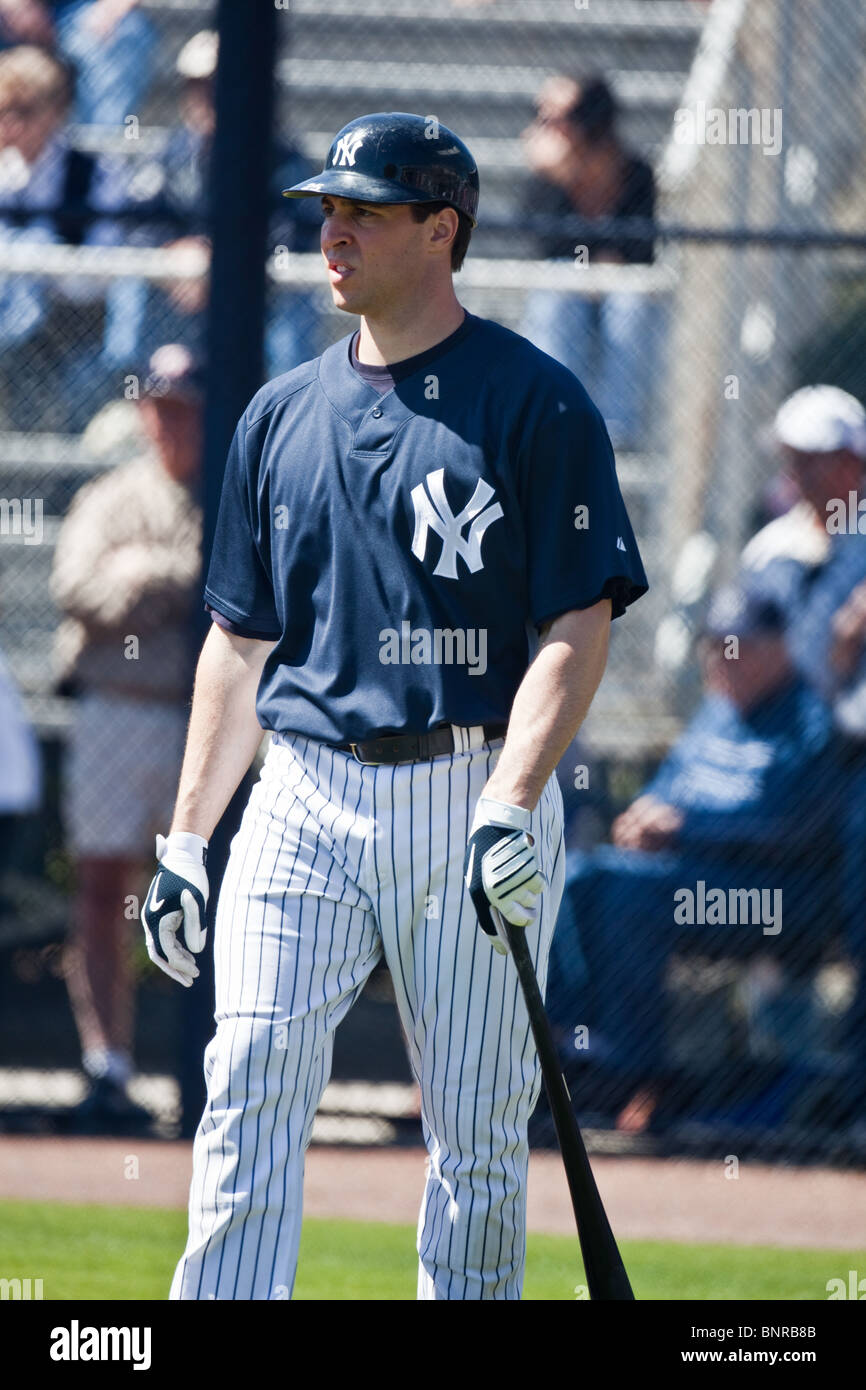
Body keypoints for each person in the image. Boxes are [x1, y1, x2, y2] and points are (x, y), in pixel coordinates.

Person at [140, 111, 647, 1301]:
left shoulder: (537, 401)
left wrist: (515, 801)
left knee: (473, 1137)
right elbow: (237, 643)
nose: (333, 233)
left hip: (467, 788)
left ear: (440, 227)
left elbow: (580, 622)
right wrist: (184, 836)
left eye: (363, 211)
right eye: (326, 210)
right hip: (302, 787)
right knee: (249, 1074)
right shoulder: (276, 413)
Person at [548, 579, 842, 1133]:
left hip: (772, 898)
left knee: (629, 893)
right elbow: (666, 791)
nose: (722, 659)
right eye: (715, 644)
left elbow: (794, 827)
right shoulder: (716, 714)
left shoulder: (809, 718)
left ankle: (633, 1069)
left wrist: (686, 829)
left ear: (780, 649)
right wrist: (645, 817)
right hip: (691, 879)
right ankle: (564, 1045)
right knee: (583, 875)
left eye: (739, 646)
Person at [51, 344, 203, 1130]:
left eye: (187, 406)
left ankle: (204, 1069)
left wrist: (145, 578)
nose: (172, 419)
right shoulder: (113, 496)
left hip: (195, 718)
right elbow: (76, 589)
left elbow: (227, 593)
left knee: (204, 895)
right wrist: (153, 576)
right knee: (104, 888)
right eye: (162, 404)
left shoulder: (222, 495)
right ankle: (108, 1066)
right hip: (114, 704)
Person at [520, 73, 658, 449]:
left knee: (630, 305)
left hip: (618, 287)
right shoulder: (548, 174)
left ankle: (616, 435)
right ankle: (555, 419)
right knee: (559, 290)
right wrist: (565, 177)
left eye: (559, 117)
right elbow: (546, 241)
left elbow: (640, 247)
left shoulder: (634, 171)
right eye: (542, 115)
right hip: (571, 285)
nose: (547, 126)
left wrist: (603, 262)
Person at [0, 44, 128, 430]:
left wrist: (36, 256)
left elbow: (96, 279)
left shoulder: (94, 174)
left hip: (73, 337)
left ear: (54, 112)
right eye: (3, 110)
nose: (10, 124)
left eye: (24, 111)